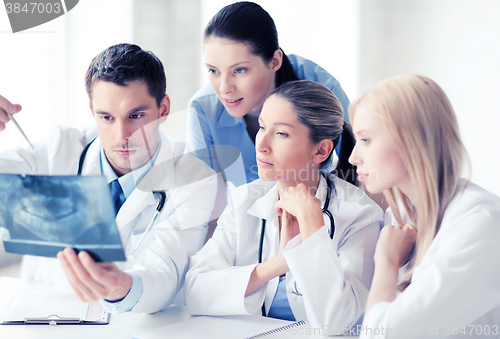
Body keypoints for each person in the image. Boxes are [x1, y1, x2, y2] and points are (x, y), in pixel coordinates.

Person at [0, 43, 216, 314]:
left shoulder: (193, 176)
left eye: (136, 116)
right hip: (45, 323)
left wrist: (120, 287)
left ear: (163, 109)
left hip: (136, 327)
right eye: (106, 117)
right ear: (92, 112)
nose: (121, 135)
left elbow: (167, 270)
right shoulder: (59, 150)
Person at [185, 80, 383, 333]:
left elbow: (335, 320)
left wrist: (313, 230)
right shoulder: (244, 200)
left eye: (281, 133)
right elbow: (195, 292)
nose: (261, 144)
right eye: (262, 127)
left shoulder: (360, 216)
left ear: (321, 150)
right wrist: (279, 263)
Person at [348, 74, 500, 338]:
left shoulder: (480, 222)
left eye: (366, 140)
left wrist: (386, 260)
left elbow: (383, 335)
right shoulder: (400, 215)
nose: (353, 157)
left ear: (411, 139)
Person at [186, 1, 351, 187]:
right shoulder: (202, 110)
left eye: (239, 70)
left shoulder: (322, 89)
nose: (224, 88)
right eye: (213, 71)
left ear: (274, 61)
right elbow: (204, 199)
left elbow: (356, 166)